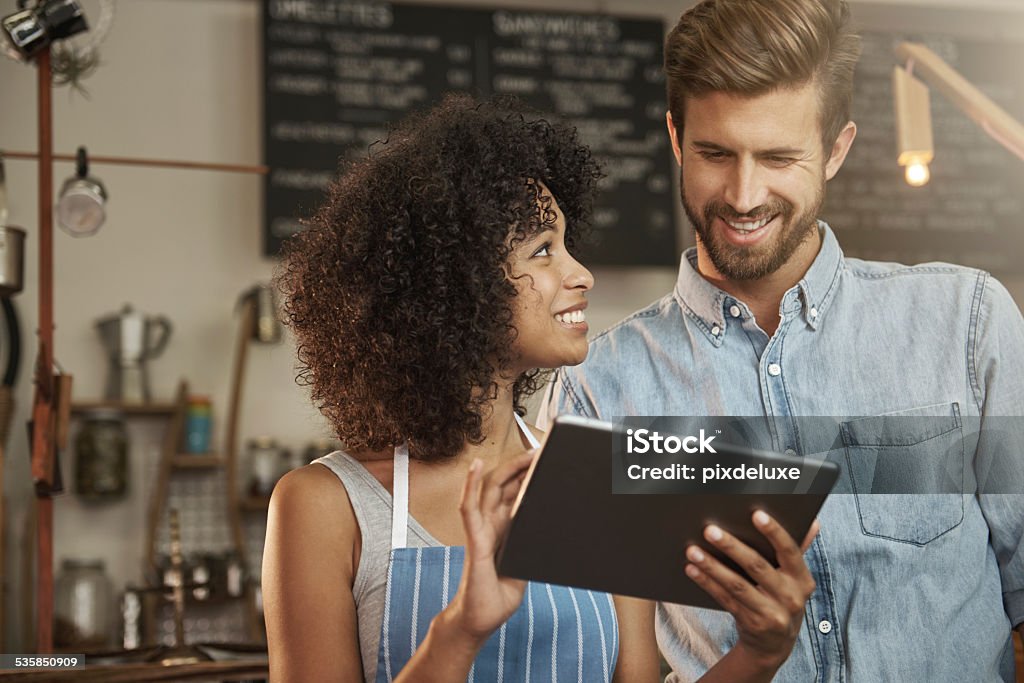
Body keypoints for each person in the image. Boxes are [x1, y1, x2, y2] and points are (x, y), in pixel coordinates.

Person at [263, 94, 821, 682]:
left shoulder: (596, 482)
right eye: (543, 251)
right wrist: (462, 630)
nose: (581, 274)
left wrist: (759, 651)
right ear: (457, 285)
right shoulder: (325, 506)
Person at [541, 0, 1024, 680]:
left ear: (835, 149)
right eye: (715, 153)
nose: (743, 195)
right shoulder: (597, 387)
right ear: (676, 140)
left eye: (777, 156)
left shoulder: (967, 323)